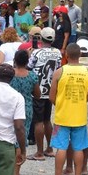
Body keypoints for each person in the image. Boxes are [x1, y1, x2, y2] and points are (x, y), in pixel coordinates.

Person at [46, 44, 88, 175]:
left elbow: (51, 96)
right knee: (78, 148)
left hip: (62, 116)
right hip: (79, 116)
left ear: (66, 55)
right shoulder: (87, 73)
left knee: (61, 148)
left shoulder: (60, 72)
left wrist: (60, 104)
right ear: (80, 55)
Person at [63, 39, 88, 175]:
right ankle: (84, 168)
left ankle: (69, 167)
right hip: (87, 103)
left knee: (69, 134)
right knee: (86, 136)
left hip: (70, 102)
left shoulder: (69, 67)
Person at [26, 27, 61, 161]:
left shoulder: (37, 53)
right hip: (51, 89)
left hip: (38, 90)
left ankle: (39, 152)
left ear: (41, 38)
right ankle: (50, 148)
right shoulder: (57, 53)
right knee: (47, 119)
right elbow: (58, 68)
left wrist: (30, 55)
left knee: (38, 121)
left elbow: (29, 67)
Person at [9, 50, 40, 175]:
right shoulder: (32, 76)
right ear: (27, 61)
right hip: (25, 108)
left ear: (14, 60)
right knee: (20, 137)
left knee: (7, 135)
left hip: (9, 107)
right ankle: (16, 173)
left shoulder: (10, 75)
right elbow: (37, 94)